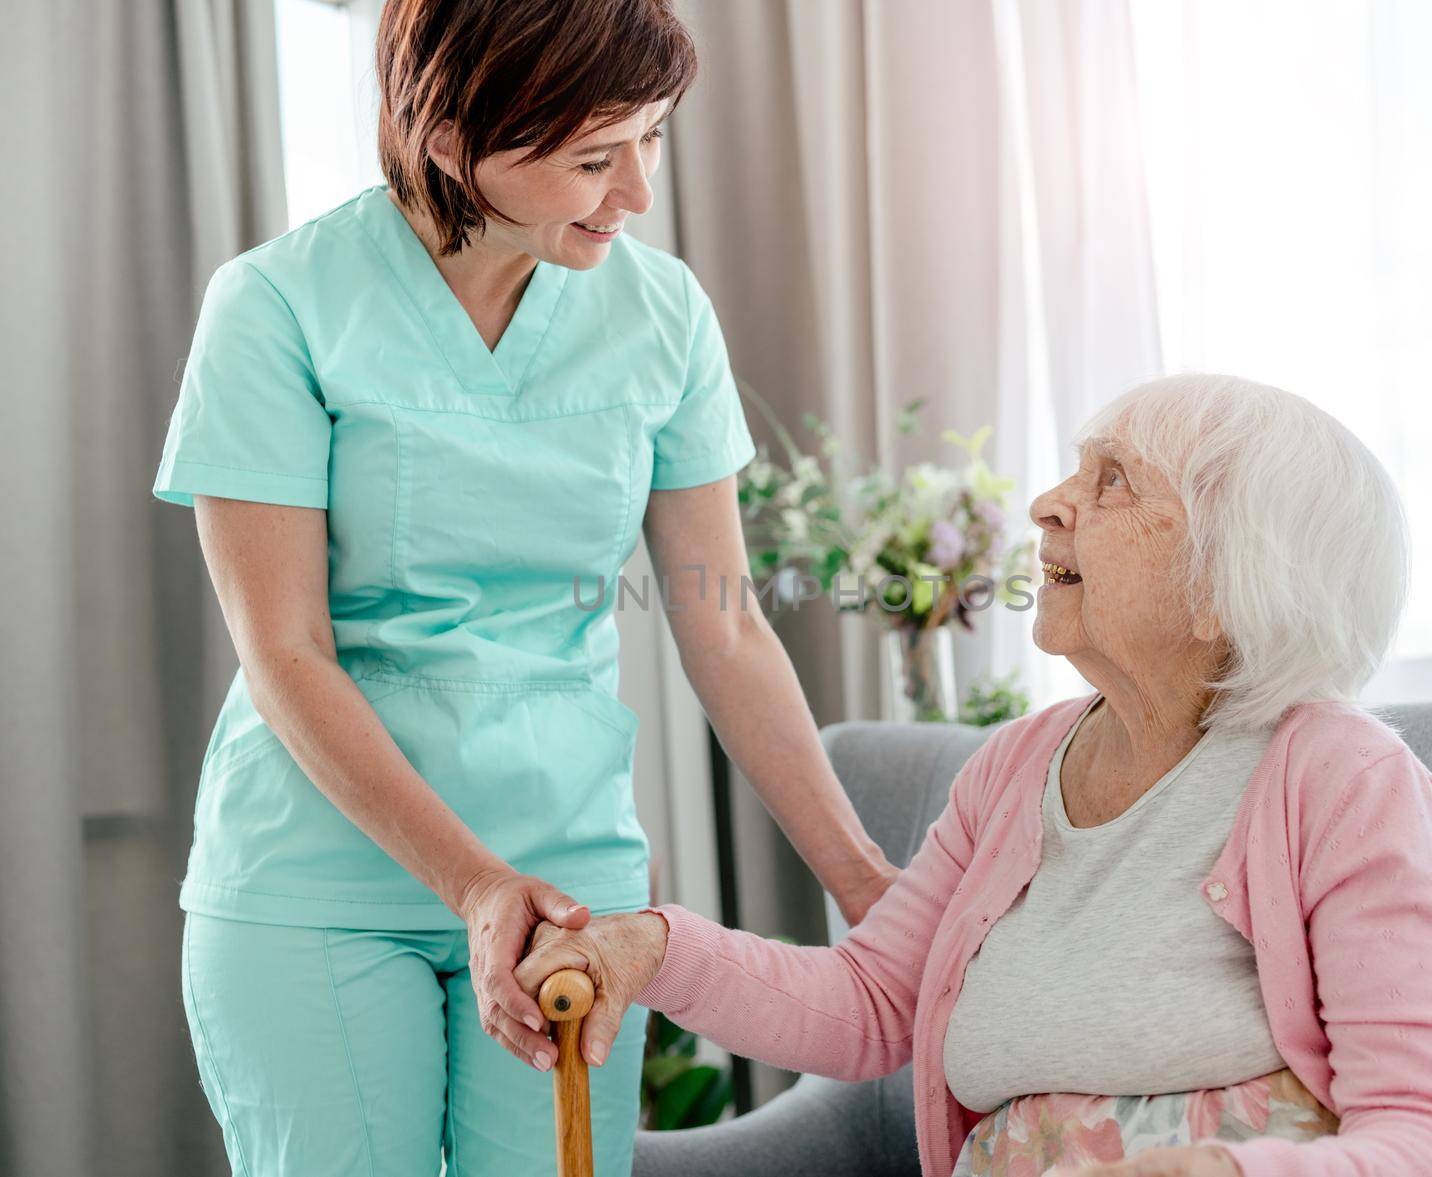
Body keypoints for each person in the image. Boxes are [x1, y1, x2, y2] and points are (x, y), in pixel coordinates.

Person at [151, 2, 895, 1173]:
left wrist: (862, 875)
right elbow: (284, 647)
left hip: (567, 883)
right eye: (594, 159)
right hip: (322, 871)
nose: (637, 191)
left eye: (651, 139)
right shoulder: (278, 304)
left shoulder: (660, 314)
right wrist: (473, 883)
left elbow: (724, 620)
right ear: (449, 139)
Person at [515, 375, 1432, 1177]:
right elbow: (868, 1001)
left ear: (1227, 574)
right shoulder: (1014, 767)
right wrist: (647, 944)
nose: (1048, 503)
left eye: (1110, 480)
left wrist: (1223, 1172)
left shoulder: (1340, 778)